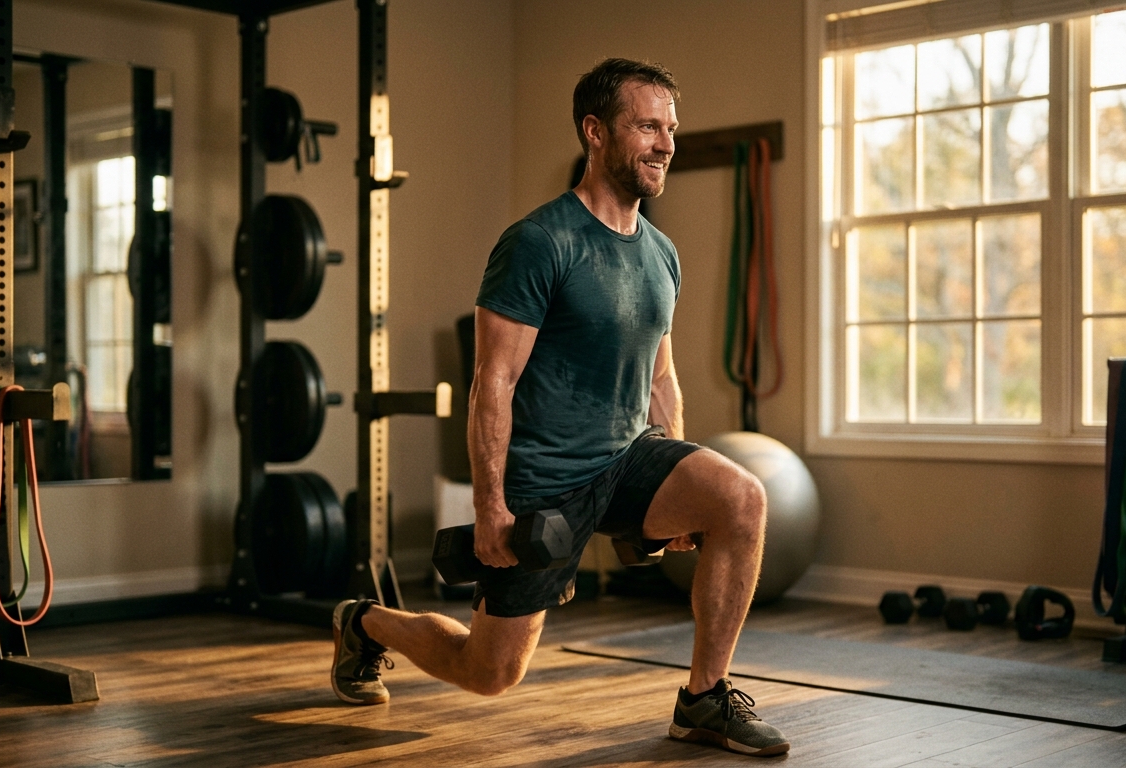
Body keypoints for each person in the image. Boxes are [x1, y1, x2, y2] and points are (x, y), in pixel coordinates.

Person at [329, 57, 789, 758]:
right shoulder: (539, 242)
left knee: (741, 499)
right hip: (544, 479)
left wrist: (681, 475)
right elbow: (494, 382)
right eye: (647, 126)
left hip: (629, 457)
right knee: (489, 673)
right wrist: (489, 507)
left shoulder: (661, 254)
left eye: (671, 128)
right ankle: (366, 623)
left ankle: (703, 699)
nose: (666, 143)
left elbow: (661, 376)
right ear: (595, 132)